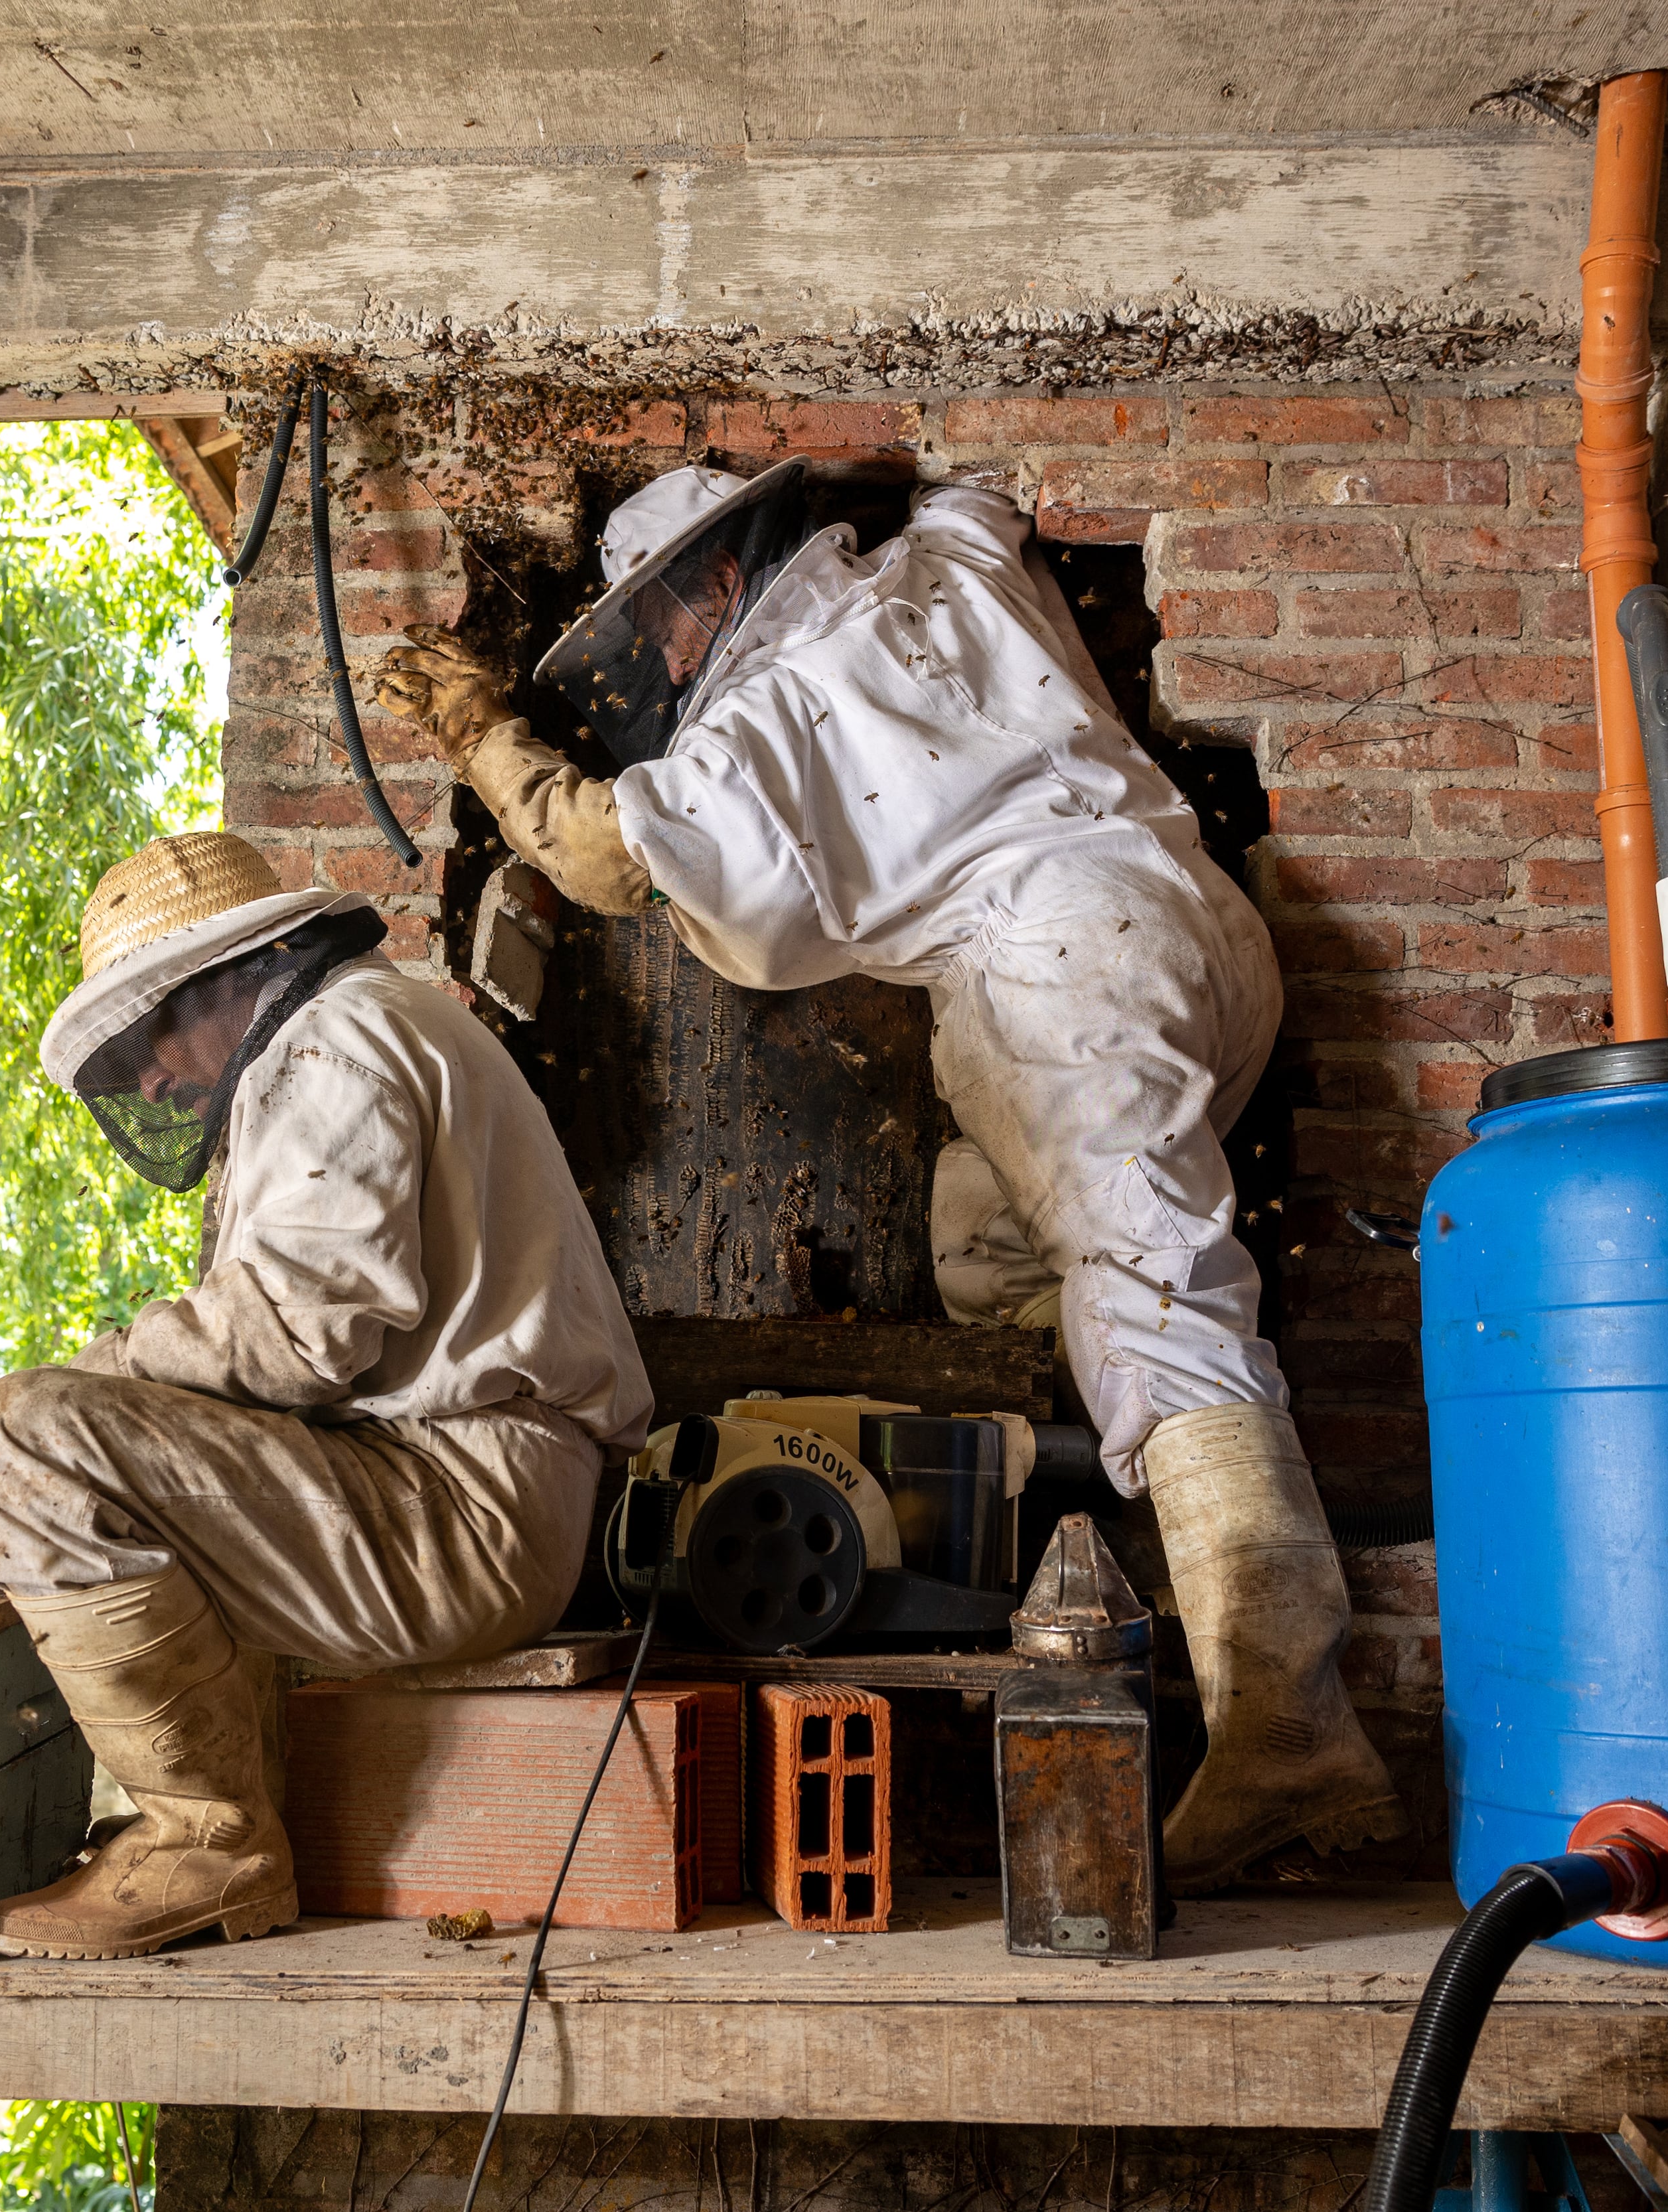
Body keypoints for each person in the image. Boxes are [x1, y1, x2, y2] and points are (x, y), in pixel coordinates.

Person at [376, 465, 1398, 1889]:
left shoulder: (758, 724)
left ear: (720, 578)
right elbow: (983, 495)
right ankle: (1152, 1554)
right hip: (1200, 930)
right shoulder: (947, 561)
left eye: (664, 619)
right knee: (991, 1236)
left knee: (1162, 1306)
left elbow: (606, 856)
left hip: (1063, 972)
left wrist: (485, 733)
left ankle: (1288, 1732)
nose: (665, 657)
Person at [0, 830, 651, 1958]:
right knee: (61, 1431)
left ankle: (210, 1843)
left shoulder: (337, 1047)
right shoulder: (355, 1032)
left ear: (230, 977)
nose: (149, 1076)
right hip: (469, 1482)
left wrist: (98, 1373)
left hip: (468, 1503)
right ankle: (211, 1820)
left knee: (26, 1442)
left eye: (151, 1035)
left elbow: (300, 1330)